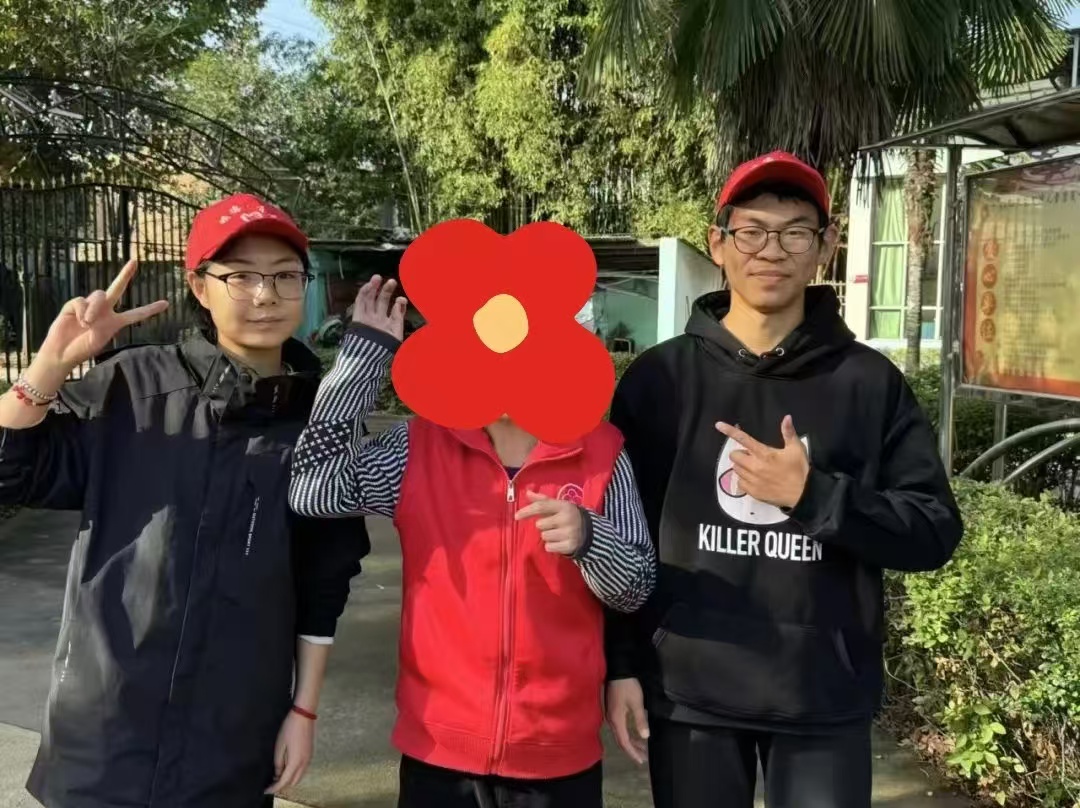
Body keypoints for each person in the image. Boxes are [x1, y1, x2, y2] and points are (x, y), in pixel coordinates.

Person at [603, 151, 964, 808]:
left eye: (795, 231)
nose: (771, 250)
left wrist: (813, 496)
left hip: (822, 695)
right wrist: (621, 666)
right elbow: (622, 537)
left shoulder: (868, 384)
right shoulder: (662, 380)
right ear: (718, 242)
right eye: (751, 230)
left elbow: (934, 531)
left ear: (825, 245)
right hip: (691, 690)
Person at [0, 193, 370, 808]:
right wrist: (46, 368)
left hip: (232, 737)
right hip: (103, 732)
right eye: (241, 276)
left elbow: (325, 579)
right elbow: (10, 474)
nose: (265, 295)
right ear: (199, 287)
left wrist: (303, 711)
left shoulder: (320, 422)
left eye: (285, 276)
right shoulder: (132, 386)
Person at [288, 275, 658, 808]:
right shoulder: (420, 444)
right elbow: (314, 490)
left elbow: (637, 586)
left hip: (558, 752)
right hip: (438, 749)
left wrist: (590, 539)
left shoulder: (601, 452)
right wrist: (363, 360)